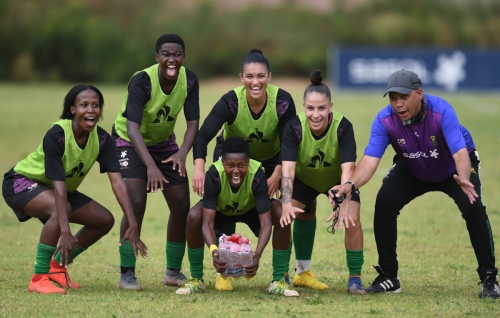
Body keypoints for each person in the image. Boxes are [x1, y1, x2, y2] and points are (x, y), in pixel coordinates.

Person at [332, 69, 499, 299]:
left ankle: (489, 278)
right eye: (393, 98)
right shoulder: (384, 120)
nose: (398, 104)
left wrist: (463, 178)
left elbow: (460, 152)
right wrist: (349, 185)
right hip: (412, 165)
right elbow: (370, 161)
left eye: (403, 97)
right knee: (384, 203)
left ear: (419, 93)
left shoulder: (441, 111)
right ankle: (389, 276)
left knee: (473, 207)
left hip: (453, 169)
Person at [1, 85, 148, 294]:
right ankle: (39, 277)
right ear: (72, 109)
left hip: (57, 189)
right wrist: (65, 231)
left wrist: (132, 222)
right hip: (20, 182)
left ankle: (57, 267)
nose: (91, 110)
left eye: (95, 105)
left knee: (104, 220)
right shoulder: (57, 134)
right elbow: (60, 191)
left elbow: (117, 182)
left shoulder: (103, 140)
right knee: (60, 208)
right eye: (84, 105)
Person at [191, 48, 302, 290]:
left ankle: (280, 275)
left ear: (269, 77)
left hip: (273, 159)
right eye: (250, 76)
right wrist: (199, 168)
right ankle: (225, 272)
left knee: (281, 210)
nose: (255, 82)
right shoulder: (231, 101)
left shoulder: (282, 101)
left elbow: (289, 143)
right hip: (232, 156)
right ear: (241, 78)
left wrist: (276, 173)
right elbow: (202, 137)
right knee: (224, 205)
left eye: (261, 76)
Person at [112, 34, 199, 290]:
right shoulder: (142, 81)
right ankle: (127, 273)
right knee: (136, 200)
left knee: (182, 202)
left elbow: (193, 122)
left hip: (164, 144)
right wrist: (150, 165)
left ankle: (173, 272)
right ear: (157, 57)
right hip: (129, 141)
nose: (172, 60)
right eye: (166, 55)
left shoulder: (190, 80)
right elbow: (132, 126)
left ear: (183, 56)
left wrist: (182, 152)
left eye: (177, 55)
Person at [176, 136, 301, 296]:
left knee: (280, 212)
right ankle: (197, 280)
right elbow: (207, 223)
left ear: (248, 163)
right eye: (230, 165)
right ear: (223, 163)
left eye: (241, 165)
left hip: (250, 210)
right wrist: (214, 251)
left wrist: (257, 255)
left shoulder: (257, 174)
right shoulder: (214, 174)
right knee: (194, 215)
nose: (236, 170)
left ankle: (278, 281)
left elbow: (266, 223)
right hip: (221, 210)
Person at [279, 70, 365, 294]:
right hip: (304, 180)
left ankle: (355, 279)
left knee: (352, 219)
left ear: (330, 107)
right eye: (310, 108)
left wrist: (344, 201)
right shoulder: (294, 127)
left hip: (338, 181)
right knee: (285, 215)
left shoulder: (343, 127)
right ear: (303, 106)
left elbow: (348, 168)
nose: (315, 114)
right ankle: (286, 274)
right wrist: (286, 202)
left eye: (321, 108)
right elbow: (287, 169)